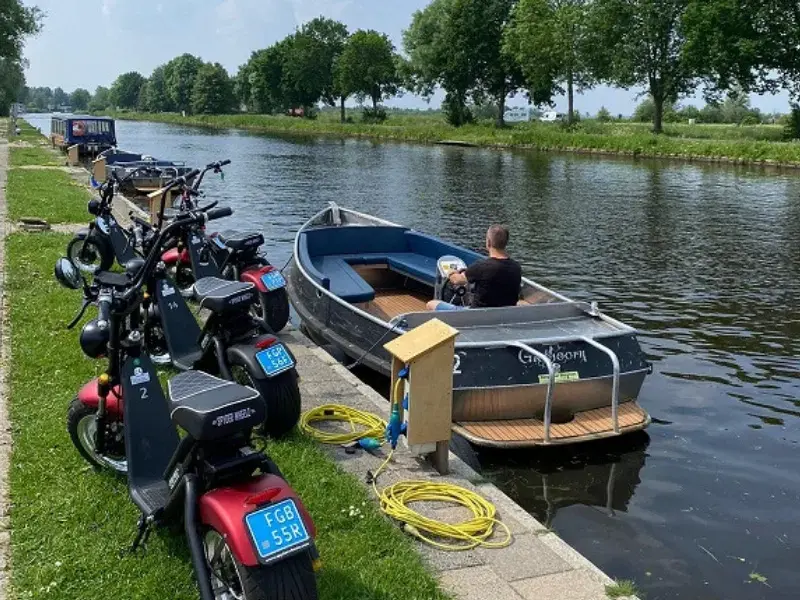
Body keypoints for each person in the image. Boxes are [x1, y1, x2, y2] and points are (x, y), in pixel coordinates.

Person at [426, 224, 522, 311]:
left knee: (431, 304)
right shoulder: (516, 267)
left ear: (488, 243)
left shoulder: (482, 266)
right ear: (505, 243)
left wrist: (451, 272)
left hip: (476, 315)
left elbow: (457, 280)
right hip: (505, 314)